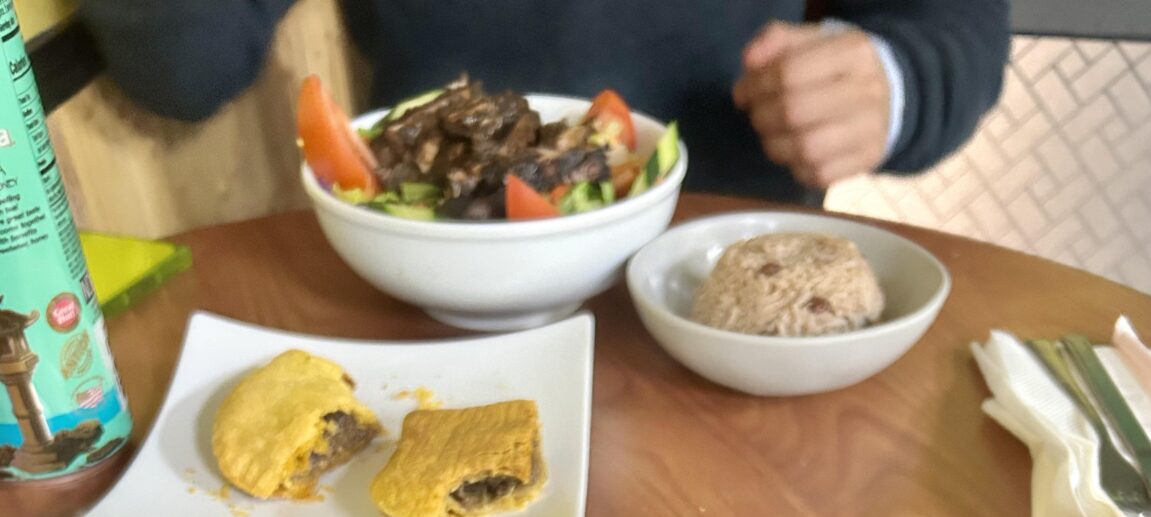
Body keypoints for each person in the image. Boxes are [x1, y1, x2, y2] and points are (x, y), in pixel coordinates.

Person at [77, 1, 1010, 201]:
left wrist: (897, 80)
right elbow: (182, 67)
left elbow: (952, 30)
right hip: (430, 289)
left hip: (720, 291)